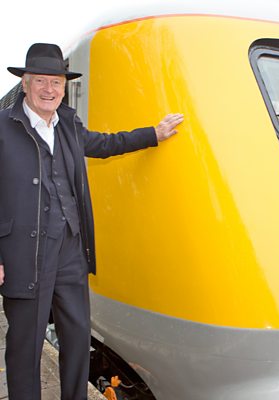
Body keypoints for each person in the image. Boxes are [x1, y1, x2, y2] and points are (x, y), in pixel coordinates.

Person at [0, 43, 183, 400]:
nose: (49, 89)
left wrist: (153, 134)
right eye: (40, 81)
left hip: (70, 249)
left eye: (56, 82)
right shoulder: (4, 128)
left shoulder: (68, 124)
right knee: (24, 347)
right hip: (24, 254)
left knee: (77, 337)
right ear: (25, 83)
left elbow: (105, 144)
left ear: (64, 87)